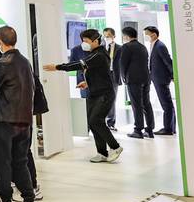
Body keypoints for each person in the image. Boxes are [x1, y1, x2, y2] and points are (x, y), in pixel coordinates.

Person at [45, 29, 122, 163]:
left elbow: (79, 65)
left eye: (86, 41)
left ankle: (115, 147)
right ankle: (102, 153)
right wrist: (86, 83)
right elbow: (99, 73)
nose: (83, 44)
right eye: (83, 41)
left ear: (95, 41)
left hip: (104, 94)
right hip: (94, 92)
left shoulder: (99, 54)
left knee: (96, 121)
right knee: (93, 122)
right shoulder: (94, 54)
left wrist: (57, 67)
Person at [0, 27, 41, 202]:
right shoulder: (25, 62)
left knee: (1, 162)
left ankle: (6, 200)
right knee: (20, 161)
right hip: (25, 119)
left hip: (4, 119)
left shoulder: (2, 63)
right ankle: (29, 201)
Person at [119, 27, 154, 139]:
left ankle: (138, 130)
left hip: (133, 79)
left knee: (136, 105)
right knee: (146, 103)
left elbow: (123, 64)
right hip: (145, 78)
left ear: (126, 36)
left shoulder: (126, 47)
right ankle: (149, 130)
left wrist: (124, 77)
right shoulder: (143, 47)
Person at [144, 26, 175, 135]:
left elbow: (168, 61)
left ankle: (168, 129)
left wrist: (173, 75)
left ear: (154, 34)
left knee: (166, 104)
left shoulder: (160, 46)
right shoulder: (154, 45)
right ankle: (170, 127)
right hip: (157, 77)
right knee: (167, 103)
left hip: (161, 78)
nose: (145, 36)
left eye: (147, 34)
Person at [102, 27, 122, 129]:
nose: (107, 38)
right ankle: (101, 121)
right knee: (102, 99)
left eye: (109, 36)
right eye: (105, 36)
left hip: (113, 75)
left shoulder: (120, 48)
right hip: (102, 76)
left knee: (112, 99)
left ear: (114, 36)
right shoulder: (101, 47)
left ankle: (111, 122)